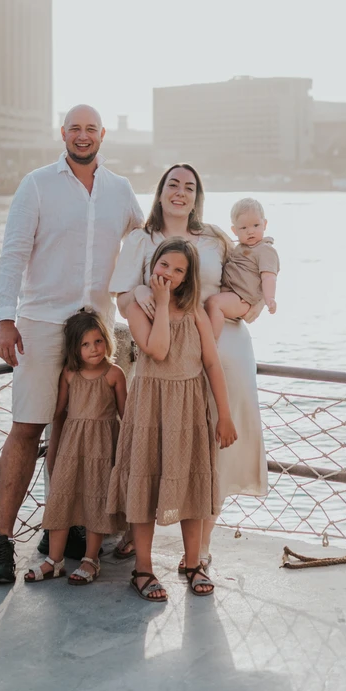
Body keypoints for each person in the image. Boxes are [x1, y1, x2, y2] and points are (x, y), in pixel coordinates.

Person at [0, 104, 143, 585]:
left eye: (91, 128)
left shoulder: (119, 190)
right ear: (63, 133)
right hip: (41, 323)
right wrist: (5, 321)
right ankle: (2, 541)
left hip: (96, 328)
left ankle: (69, 527)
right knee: (28, 429)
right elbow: (12, 253)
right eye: (75, 128)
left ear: (102, 135)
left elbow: (147, 242)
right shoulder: (36, 184)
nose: (82, 135)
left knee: (83, 429)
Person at [110, 163, 268, 571]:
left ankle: (199, 549)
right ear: (160, 191)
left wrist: (252, 306)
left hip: (222, 347)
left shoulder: (215, 239)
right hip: (165, 352)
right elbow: (122, 300)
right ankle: (137, 531)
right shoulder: (141, 240)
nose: (181, 192)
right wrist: (142, 290)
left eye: (190, 187)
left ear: (199, 196)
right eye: (173, 185)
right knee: (157, 445)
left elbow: (243, 285)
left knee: (216, 444)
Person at [107, 239, 237, 600]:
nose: (170, 274)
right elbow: (158, 350)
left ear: (188, 277)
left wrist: (224, 415)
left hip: (190, 406)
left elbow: (211, 362)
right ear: (153, 265)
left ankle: (193, 562)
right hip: (151, 406)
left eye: (179, 270)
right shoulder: (138, 308)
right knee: (145, 484)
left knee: (192, 485)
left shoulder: (195, 311)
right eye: (165, 265)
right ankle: (143, 570)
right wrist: (161, 304)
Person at [24, 307, 126, 585]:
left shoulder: (114, 374)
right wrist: (52, 449)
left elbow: (125, 415)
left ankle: (90, 560)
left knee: (96, 502)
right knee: (61, 499)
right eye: (85, 344)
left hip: (103, 448)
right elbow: (57, 412)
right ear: (74, 348)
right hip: (72, 446)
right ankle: (54, 561)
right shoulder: (69, 374)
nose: (93, 349)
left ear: (107, 340)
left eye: (98, 341)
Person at [205, 198, 280, 339]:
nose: (250, 231)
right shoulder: (239, 247)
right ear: (234, 230)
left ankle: (210, 346)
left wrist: (269, 298)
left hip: (242, 298)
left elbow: (269, 276)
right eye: (243, 228)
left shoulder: (265, 250)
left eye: (256, 225)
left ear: (265, 224)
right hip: (232, 293)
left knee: (213, 303)